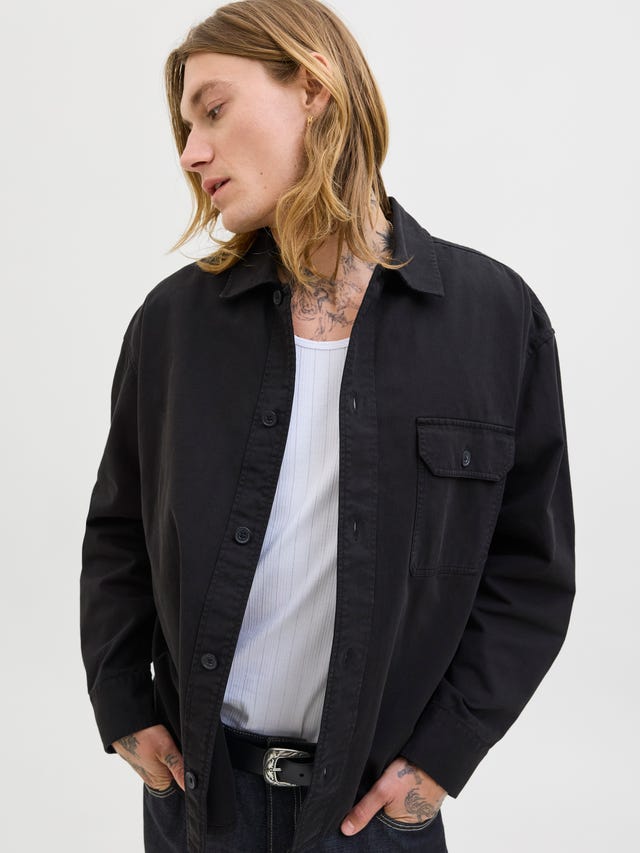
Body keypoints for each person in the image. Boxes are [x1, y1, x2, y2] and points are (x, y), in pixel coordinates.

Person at [79, 1, 576, 852]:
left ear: (312, 89)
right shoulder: (172, 326)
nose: (191, 152)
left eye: (213, 110)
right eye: (185, 127)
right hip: (201, 804)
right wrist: (125, 708)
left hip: (374, 816)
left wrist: (441, 760)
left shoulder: (496, 321)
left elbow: (530, 570)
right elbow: (119, 534)